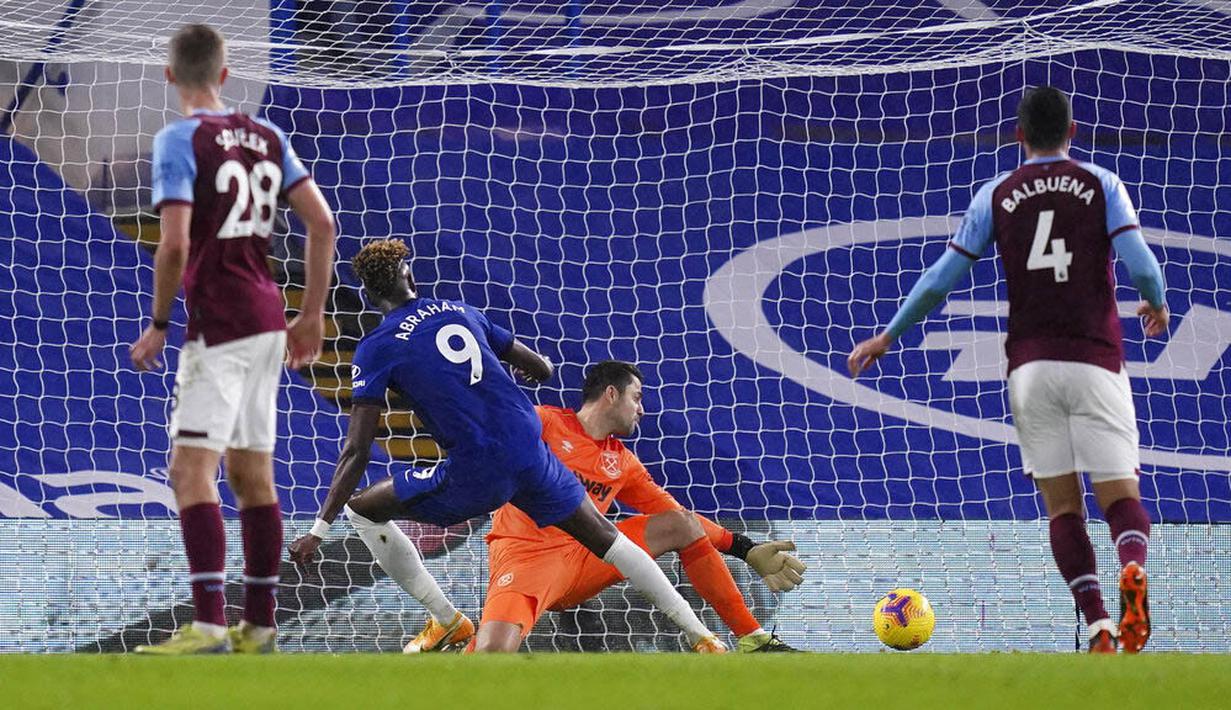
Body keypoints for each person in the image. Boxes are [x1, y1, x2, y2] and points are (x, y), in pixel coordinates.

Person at [847, 86, 1166, 654]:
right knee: (1119, 496)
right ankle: (1132, 570)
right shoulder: (1101, 183)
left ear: (1017, 136)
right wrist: (1157, 302)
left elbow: (940, 280)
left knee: (1062, 506)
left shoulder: (996, 194)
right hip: (1096, 359)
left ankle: (1097, 627)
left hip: (1030, 368)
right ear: (1073, 131)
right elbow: (1142, 265)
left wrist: (887, 336)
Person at [289, 240, 726, 652]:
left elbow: (357, 450)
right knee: (607, 539)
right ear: (411, 277)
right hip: (531, 449)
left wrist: (317, 530)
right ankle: (702, 636)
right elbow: (543, 367)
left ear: (368, 294)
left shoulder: (375, 348)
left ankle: (446, 620)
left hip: (478, 469)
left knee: (363, 510)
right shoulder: (461, 311)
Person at [129, 23, 337, 654]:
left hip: (218, 320)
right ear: (224, 76)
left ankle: (210, 624)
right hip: (270, 316)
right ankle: (261, 625)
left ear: (171, 76)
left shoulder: (179, 138)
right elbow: (323, 224)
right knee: (253, 475)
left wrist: (161, 322)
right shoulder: (268, 136)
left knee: (190, 470)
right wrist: (313, 314)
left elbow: (174, 244)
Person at [469, 360, 805, 653]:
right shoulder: (544, 422)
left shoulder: (622, 462)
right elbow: (494, 432)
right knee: (493, 652)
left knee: (680, 524)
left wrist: (745, 549)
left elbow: (684, 518)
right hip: (527, 557)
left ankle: (754, 639)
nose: (641, 410)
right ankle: (457, 639)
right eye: (637, 397)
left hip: (587, 556)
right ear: (611, 394)